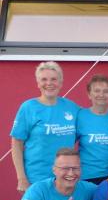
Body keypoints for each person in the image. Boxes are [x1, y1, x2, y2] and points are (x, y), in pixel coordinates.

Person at [11, 61, 79, 193]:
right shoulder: (28, 107)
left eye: (54, 79)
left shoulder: (71, 107)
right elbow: (16, 144)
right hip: (36, 179)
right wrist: (21, 178)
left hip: (66, 178)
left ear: (60, 82)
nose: (49, 83)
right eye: (44, 79)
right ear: (38, 83)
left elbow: (91, 117)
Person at [76, 74, 108, 184]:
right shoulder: (80, 116)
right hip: (88, 177)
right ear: (89, 94)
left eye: (105, 91)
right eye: (97, 91)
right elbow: (67, 143)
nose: (101, 95)